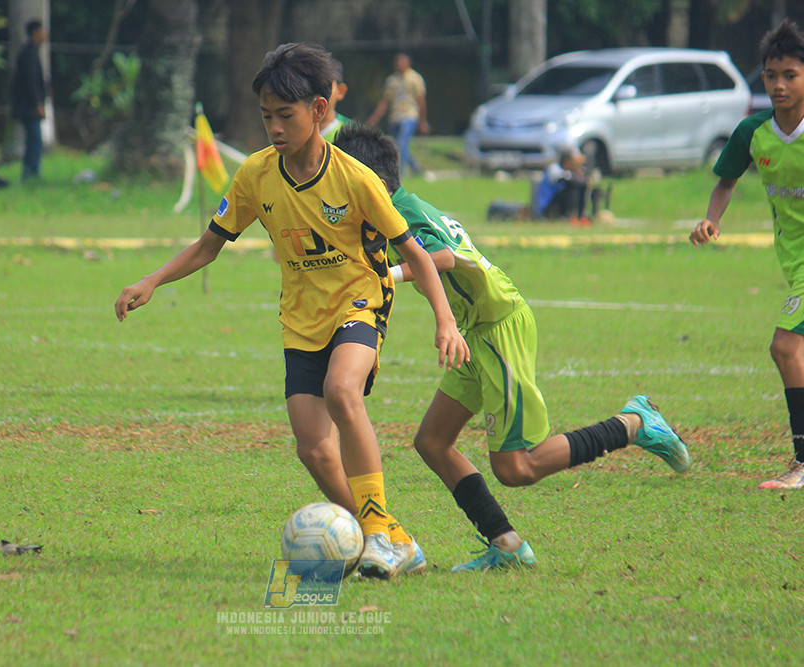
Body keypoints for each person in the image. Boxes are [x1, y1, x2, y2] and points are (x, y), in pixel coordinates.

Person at [115, 43, 470, 580]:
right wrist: (153, 279)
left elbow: (415, 255)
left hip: (360, 300)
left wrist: (444, 319)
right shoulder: (256, 177)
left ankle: (373, 536)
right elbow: (208, 246)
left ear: (320, 110)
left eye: (286, 115)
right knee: (312, 448)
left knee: (342, 390)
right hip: (301, 319)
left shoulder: (354, 178)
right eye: (266, 117)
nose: (274, 127)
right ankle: (396, 538)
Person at [334, 123, 691, 571]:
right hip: (474, 331)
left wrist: (389, 276)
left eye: (343, 178)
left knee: (517, 467)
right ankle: (505, 544)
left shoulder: (403, 212)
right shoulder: (395, 210)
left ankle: (635, 423)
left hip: (499, 326)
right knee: (432, 441)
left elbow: (441, 257)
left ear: (372, 181)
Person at [690, 19, 804, 490]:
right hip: (795, 263)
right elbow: (727, 180)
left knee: (786, 347)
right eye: (770, 75)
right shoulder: (753, 133)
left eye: (790, 75)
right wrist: (711, 218)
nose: (778, 85)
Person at [366, 53, 428, 177]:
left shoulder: (415, 78)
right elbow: (385, 101)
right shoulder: (392, 80)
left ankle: (401, 174)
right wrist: (375, 118)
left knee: (401, 144)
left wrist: (423, 121)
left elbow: (421, 100)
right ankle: (416, 168)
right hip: (395, 117)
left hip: (409, 115)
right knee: (399, 147)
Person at [11, 19, 47, 181]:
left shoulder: (31, 52)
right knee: (35, 140)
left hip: (28, 105)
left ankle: (29, 172)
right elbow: (30, 82)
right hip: (28, 106)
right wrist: (37, 103)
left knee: (33, 140)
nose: (45, 34)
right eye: (42, 31)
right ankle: (31, 173)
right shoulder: (29, 54)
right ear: (35, 33)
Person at [534, 148, 608, 225]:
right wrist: (578, 175)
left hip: (560, 204)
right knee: (572, 187)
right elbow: (567, 179)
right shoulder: (554, 169)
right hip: (549, 206)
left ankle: (581, 216)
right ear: (566, 161)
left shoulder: (571, 171)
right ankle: (571, 216)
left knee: (582, 185)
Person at [318, 57, 349, 140]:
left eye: (325, 86)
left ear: (340, 91)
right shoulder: (290, 132)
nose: (318, 93)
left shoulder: (352, 134)